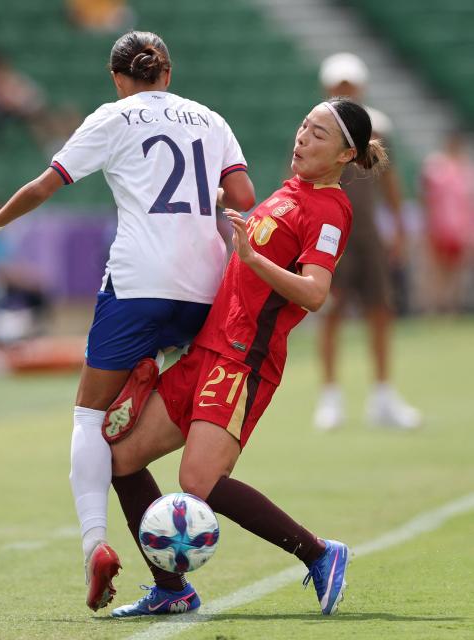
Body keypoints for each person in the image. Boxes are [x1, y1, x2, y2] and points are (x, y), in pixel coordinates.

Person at [0, 31, 255, 612]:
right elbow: (241, 193)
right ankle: (178, 566)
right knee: (153, 421)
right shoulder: (211, 121)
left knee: (89, 415)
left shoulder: (113, 118)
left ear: (118, 79)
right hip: (203, 290)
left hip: (139, 284)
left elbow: (48, 183)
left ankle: (96, 544)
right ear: (167, 73)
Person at [105, 98, 386, 617]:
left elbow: (315, 293)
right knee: (121, 459)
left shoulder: (330, 208)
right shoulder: (290, 191)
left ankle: (319, 554)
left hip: (242, 360)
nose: (302, 137)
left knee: (199, 482)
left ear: (347, 153)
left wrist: (254, 259)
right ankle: (172, 589)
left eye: (319, 134)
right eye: (304, 126)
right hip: (205, 350)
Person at [313, 53, 421, 431]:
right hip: (330, 233)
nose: (345, 90)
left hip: (368, 233)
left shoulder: (377, 126)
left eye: (350, 84)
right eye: (339, 85)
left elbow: (391, 183)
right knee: (331, 312)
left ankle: (382, 395)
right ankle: (330, 398)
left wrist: (400, 230)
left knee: (380, 309)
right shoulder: (317, 127)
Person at [420, 131, 474, 314]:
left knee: (455, 270)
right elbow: (426, 198)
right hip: (439, 226)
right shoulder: (436, 166)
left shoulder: (465, 169)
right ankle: (434, 307)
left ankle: (451, 307)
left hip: (459, 228)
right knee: (437, 270)